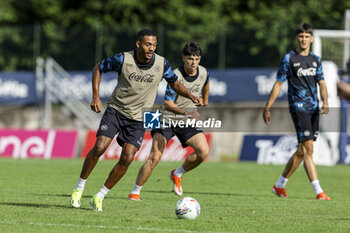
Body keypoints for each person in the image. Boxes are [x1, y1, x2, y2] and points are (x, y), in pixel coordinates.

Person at [70, 29, 201, 211]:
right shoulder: (123, 59)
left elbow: (175, 83)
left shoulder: (162, 64)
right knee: (100, 147)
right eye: (148, 44)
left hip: (141, 117)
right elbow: (98, 68)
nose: (151, 48)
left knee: (128, 158)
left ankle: (100, 196)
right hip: (116, 110)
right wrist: (96, 97)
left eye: (154, 45)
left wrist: (191, 95)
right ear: (138, 44)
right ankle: (79, 188)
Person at [128, 42, 210, 201]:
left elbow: (206, 83)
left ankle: (177, 173)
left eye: (197, 59)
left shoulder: (204, 72)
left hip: (186, 121)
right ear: (183, 58)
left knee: (204, 152)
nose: (193, 62)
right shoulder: (175, 76)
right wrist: (187, 112)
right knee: (155, 157)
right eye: (190, 58)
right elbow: (168, 103)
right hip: (165, 119)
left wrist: (205, 100)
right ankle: (135, 191)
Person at [263, 22, 331, 200]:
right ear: (297, 38)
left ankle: (279, 186)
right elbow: (279, 83)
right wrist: (268, 106)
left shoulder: (316, 60)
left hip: (314, 108)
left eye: (307, 36)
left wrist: (325, 101)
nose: (303, 39)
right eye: (301, 36)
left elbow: (322, 83)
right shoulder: (289, 59)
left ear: (312, 38)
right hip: (298, 107)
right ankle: (319, 191)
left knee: (302, 151)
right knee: (309, 149)